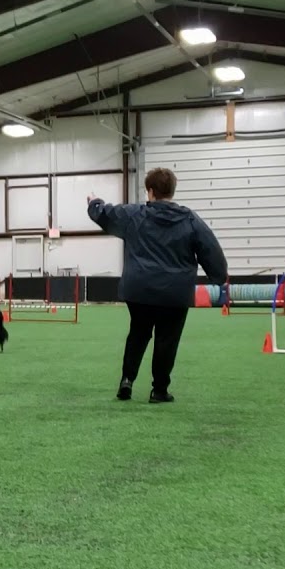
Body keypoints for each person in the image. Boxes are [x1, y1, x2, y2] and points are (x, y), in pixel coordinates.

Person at [87, 167, 228, 403]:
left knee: (138, 334)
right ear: (172, 191)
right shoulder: (191, 220)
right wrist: (218, 277)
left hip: (140, 290)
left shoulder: (134, 215)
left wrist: (94, 202)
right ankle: (159, 390)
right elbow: (210, 250)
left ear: (150, 191)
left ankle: (127, 381)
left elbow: (105, 215)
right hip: (175, 293)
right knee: (167, 340)